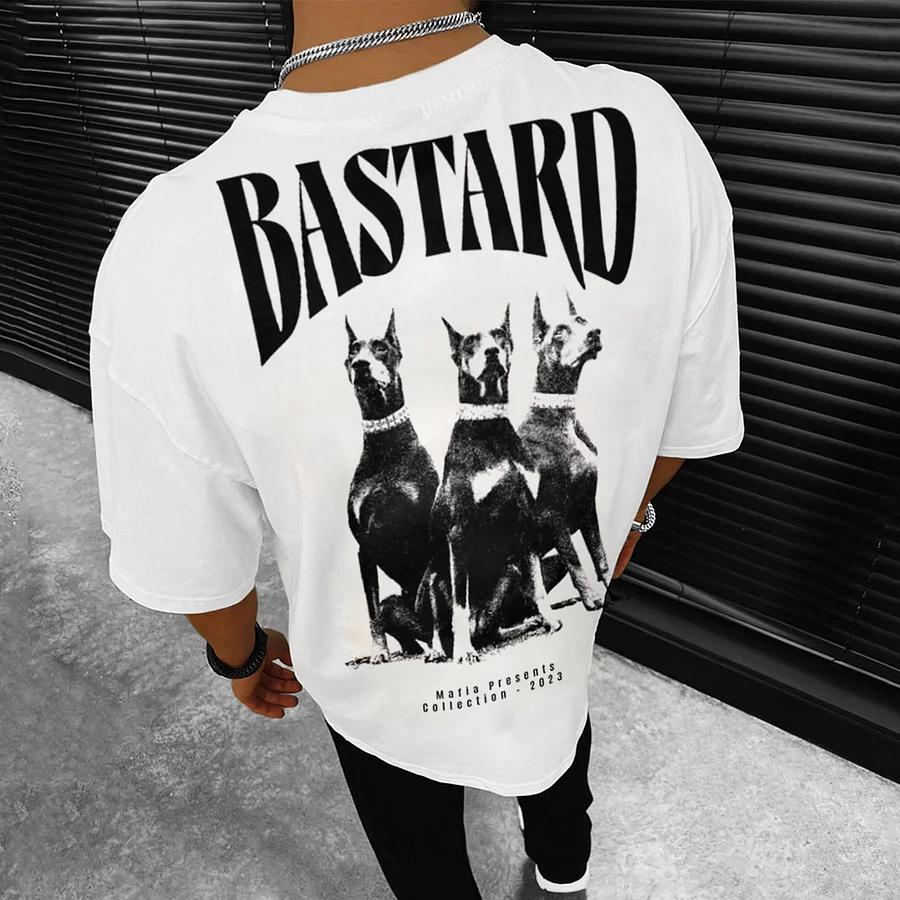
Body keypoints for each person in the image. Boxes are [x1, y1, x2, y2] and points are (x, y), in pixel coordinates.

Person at [88, 1, 744, 897]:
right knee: (554, 737)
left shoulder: (167, 243)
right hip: (549, 657)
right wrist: (627, 517)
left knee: (423, 851)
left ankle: (556, 862)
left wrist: (238, 655)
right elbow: (683, 427)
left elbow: (195, 570)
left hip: (379, 709)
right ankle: (564, 871)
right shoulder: (647, 131)